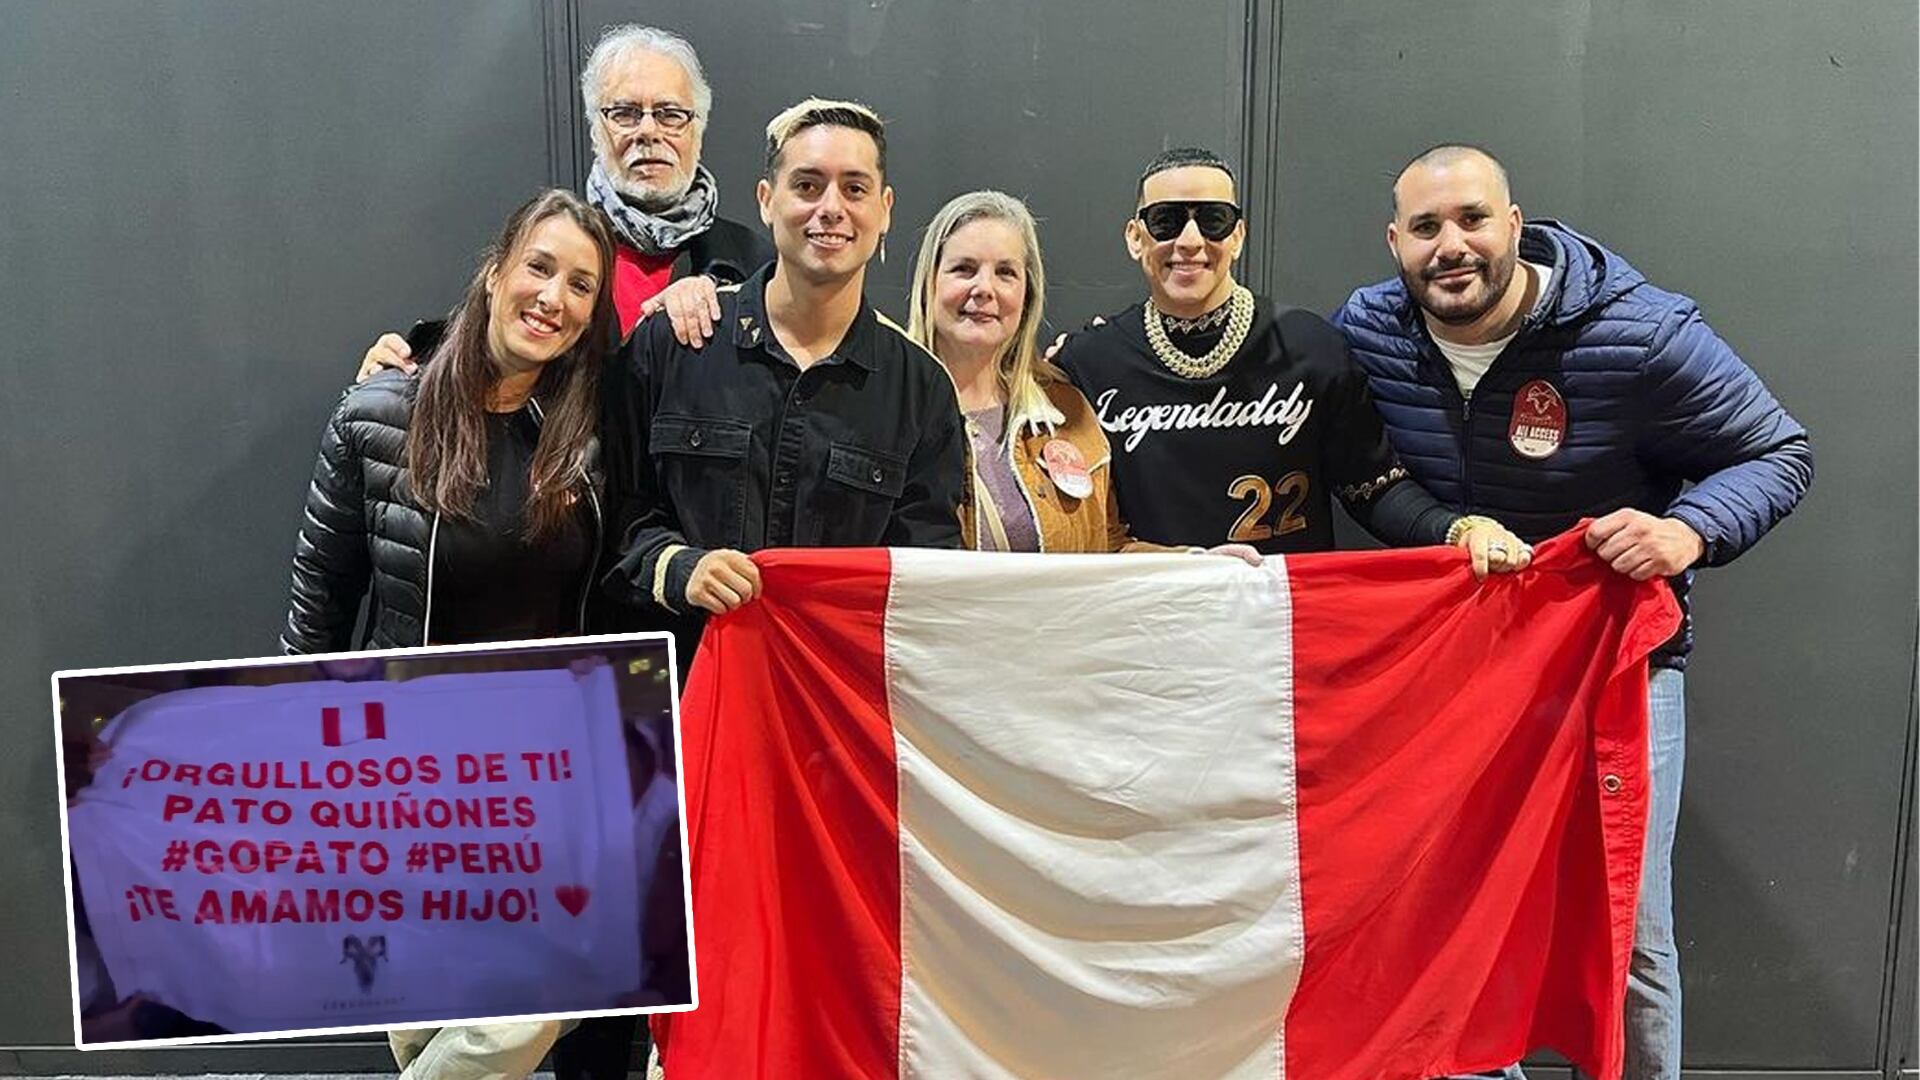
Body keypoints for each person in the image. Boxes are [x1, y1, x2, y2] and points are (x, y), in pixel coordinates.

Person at [1332, 143, 1812, 1080]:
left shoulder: (1639, 331)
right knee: (1462, 910)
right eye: (1426, 228)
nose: (1451, 246)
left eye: (1472, 219)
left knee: (1625, 921)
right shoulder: (1371, 331)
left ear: (1515, 224)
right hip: (1456, 668)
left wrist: (1689, 531)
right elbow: (1351, 463)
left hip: (1611, 665)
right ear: (1395, 242)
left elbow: (1777, 451)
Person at [282, 188, 617, 1080]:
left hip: (547, 768)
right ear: (497, 269)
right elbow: (321, 602)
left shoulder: (593, 439)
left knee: (529, 1010)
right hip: (405, 763)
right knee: (423, 1019)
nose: (554, 297)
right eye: (540, 268)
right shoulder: (377, 413)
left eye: (582, 285)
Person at [1052, 147, 1530, 574]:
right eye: (1166, 221)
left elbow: (1373, 488)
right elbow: (1072, 521)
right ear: (1136, 238)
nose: (1190, 241)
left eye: (1213, 220)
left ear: (1238, 236)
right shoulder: (1088, 364)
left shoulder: (1310, 347)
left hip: (1283, 627)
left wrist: (1458, 531)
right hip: (1148, 626)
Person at [600, 97, 967, 644]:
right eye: (808, 185)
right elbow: (612, 517)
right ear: (767, 200)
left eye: (855, 188)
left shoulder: (922, 391)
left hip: (831, 701)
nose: (831, 208)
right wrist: (678, 568)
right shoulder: (672, 346)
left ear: (885, 209)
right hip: (686, 693)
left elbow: (924, 577)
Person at [360, 25, 771, 379]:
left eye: (669, 114)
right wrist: (406, 367)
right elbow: (488, 355)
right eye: (625, 113)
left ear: (697, 128)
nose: (648, 131)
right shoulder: (551, 250)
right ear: (596, 129)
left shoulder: (758, 262)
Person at [906, 189, 1255, 557]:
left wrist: (1193, 566)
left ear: (1027, 295)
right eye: (964, 269)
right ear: (930, 282)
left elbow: (1107, 547)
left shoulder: (1064, 407)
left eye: (1006, 273)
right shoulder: (889, 406)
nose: (984, 289)